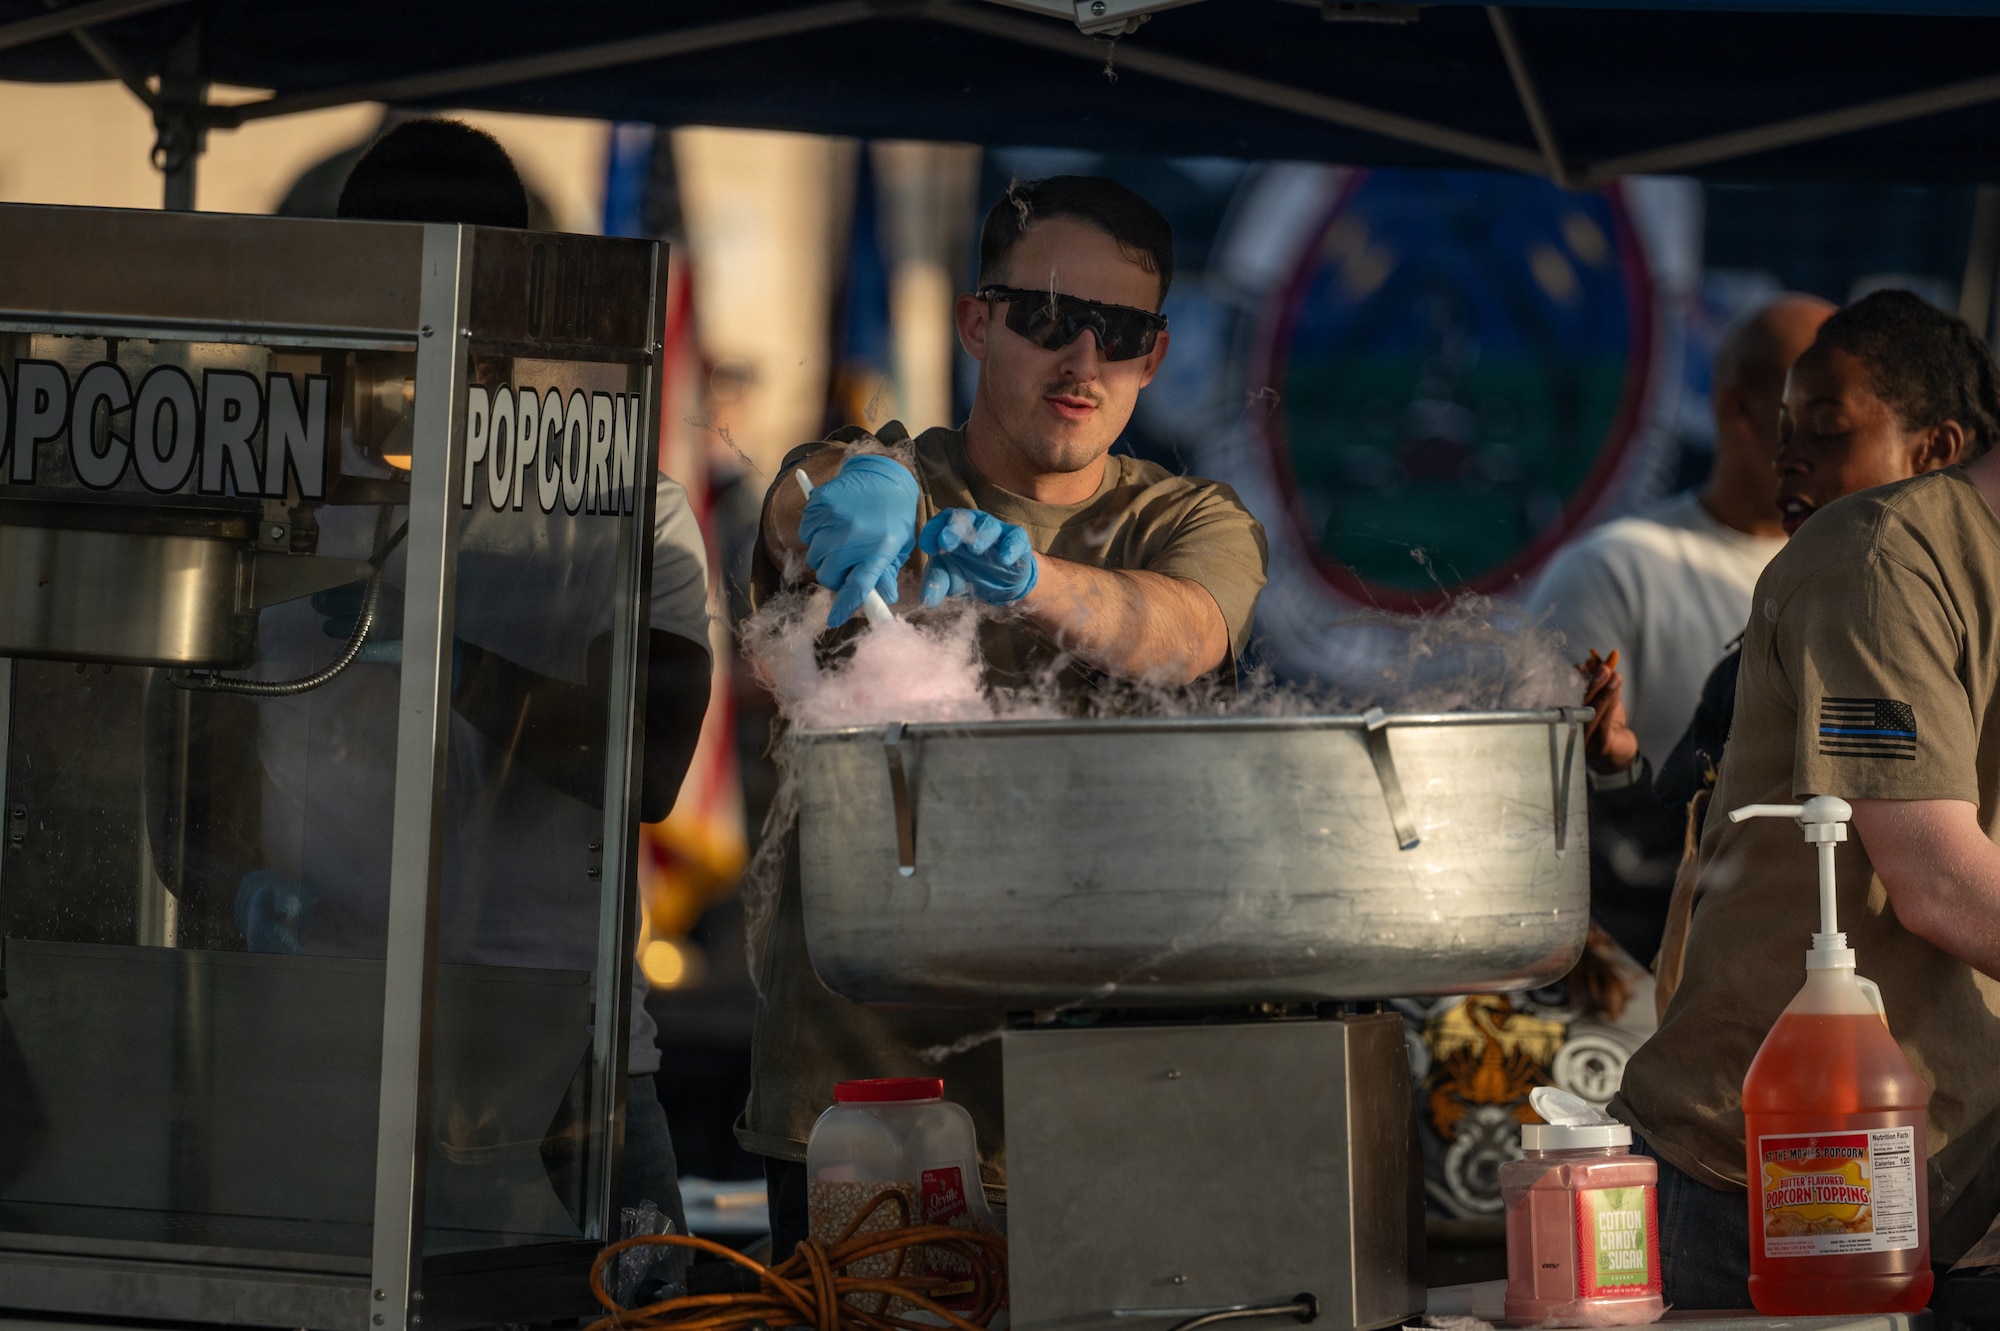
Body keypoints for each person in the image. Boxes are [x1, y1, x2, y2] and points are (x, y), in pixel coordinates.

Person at [740, 176, 1270, 1256]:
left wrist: (1031, 580)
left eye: (1119, 333)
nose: (1082, 361)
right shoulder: (883, 480)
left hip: (1109, 1116)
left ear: (1155, 357)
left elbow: (1186, 629)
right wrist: (848, 491)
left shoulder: (1187, 518)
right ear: (977, 324)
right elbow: (802, 500)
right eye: (1048, 317)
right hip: (867, 1119)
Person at [255, 118, 714, 1242]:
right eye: (387, 294)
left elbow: (648, 765)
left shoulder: (624, 506)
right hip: (313, 1031)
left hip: (564, 1060)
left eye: (450, 295)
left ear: (512, 301)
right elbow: (181, 735)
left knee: (620, 1308)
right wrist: (223, 886)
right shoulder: (271, 493)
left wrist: (446, 658)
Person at [1610, 288, 2000, 1307]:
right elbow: (1941, 883)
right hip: (1789, 1174)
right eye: (1791, 431)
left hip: (1947, 1167)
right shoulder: (1876, 559)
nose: (1790, 461)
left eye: (1824, 432)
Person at [1530, 296, 1832, 965]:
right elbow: (1545, 812)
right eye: (1820, 414)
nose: (1828, 444)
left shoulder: (1877, 583)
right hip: (1652, 987)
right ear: (1739, 411)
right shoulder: (1612, 570)